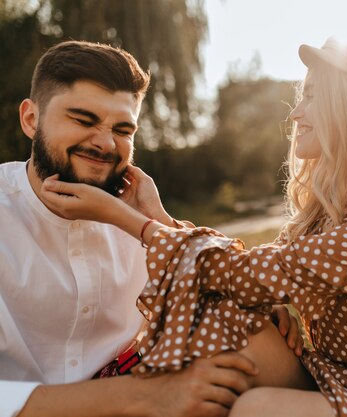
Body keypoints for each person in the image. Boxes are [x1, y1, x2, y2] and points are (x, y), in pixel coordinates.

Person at [41, 30, 347, 416]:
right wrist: (158, 217)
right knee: (233, 326)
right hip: (342, 377)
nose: (296, 114)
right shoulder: (330, 211)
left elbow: (245, 275)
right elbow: (249, 273)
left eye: (314, 99)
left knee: (259, 410)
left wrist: (130, 222)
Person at [0, 40, 302, 417]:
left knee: (247, 326)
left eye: (123, 129)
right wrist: (151, 396)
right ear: (31, 119)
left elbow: (213, 274)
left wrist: (159, 220)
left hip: (133, 378)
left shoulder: (133, 208)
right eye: (83, 119)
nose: (105, 143)